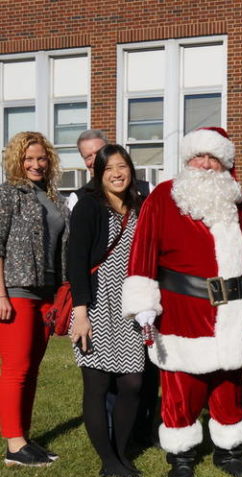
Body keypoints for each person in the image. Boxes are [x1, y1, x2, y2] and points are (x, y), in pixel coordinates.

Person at [122, 127, 242, 477]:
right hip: (182, 308)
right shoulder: (163, 196)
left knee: (228, 385)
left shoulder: (240, 200)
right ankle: (181, 457)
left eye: (213, 158)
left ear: (224, 163)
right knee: (181, 387)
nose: (205, 165)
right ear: (187, 159)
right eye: (199, 156)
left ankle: (230, 452)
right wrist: (144, 301)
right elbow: (142, 249)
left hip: (234, 308)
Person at [71, 129, 157, 449]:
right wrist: (81, 314)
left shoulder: (141, 206)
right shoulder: (88, 207)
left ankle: (121, 452)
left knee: (133, 382)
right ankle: (108, 461)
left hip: (130, 306)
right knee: (97, 385)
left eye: (122, 167)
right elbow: (76, 263)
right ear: (98, 173)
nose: (116, 174)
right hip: (96, 304)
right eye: (108, 169)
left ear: (131, 170)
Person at [0, 131, 68, 466]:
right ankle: (14, 445)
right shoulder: (8, 194)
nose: (36, 164)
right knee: (16, 368)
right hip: (16, 291)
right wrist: (0, 293)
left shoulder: (54, 198)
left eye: (41, 158)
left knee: (32, 370)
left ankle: (23, 438)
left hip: (46, 293)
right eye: (28, 159)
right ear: (17, 161)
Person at [67, 130, 150, 211]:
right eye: (88, 157)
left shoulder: (146, 190)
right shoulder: (78, 199)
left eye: (99, 153)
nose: (95, 160)